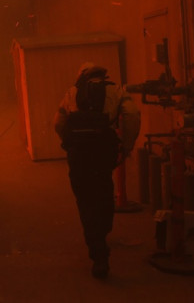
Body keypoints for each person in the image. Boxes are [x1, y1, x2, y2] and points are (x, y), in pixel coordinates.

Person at [53, 62, 140, 279]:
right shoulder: (116, 90)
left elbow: (58, 122)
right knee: (103, 190)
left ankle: (98, 252)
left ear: (81, 76)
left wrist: (69, 141)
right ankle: (104, 229)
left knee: (84, 200)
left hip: (79, 154)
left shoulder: (72, 92)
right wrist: (126, 145)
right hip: (103, 151)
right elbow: (132, 115)